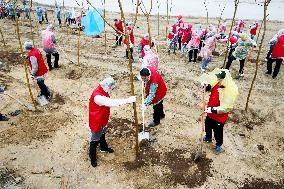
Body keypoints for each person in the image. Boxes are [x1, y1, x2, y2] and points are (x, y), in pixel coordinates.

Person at [88, 77, 136, 167]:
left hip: (103, 118)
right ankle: (92, 156)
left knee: (102, 134)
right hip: (97, 120)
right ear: (106, 86)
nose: (111, 90)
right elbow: (112, 102)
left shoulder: (103, 90)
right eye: (111, 88)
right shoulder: (98, 96)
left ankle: (103, 147)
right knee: (94, 140)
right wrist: (127, 100)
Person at [200, 69, 238, 154]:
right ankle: (208, 137)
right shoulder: (217, 84)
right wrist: (206, 86)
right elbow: (210, 88)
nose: (218, 80)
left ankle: (218, 145)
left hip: (219, 118)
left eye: (220, 79)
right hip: (210, 114)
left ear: (225, 80)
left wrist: (211, 109)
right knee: (208, 126)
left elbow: (225, 108)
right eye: (218, 79)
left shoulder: (230, 91)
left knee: (218, 132)